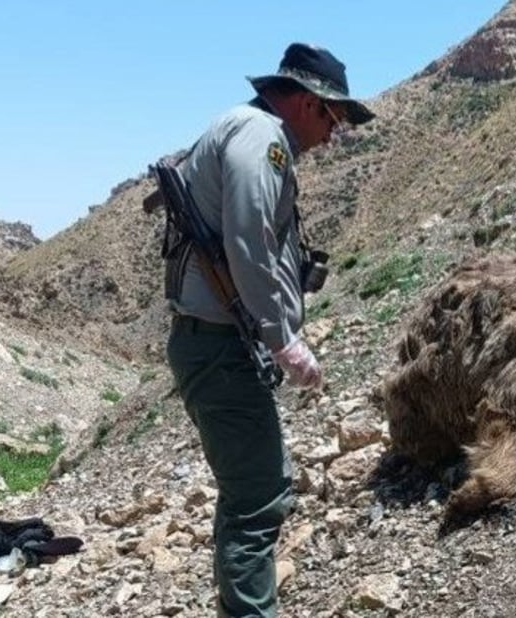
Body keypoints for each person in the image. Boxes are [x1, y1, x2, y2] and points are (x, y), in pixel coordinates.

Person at [164, 42, 375, 617]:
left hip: (217, 343)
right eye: (333, 119)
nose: (333, 136)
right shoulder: (262, 138)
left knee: (255, 487)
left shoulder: (247, 129)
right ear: (307, 103)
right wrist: (282, 336)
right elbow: (249, 241)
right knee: (257, 497)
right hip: (219, 347)